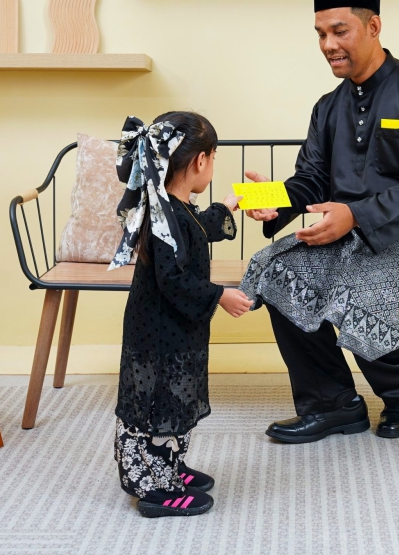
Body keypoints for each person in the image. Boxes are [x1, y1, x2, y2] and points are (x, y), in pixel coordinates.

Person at [239, 0, 399, 442]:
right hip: (347, 227)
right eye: (321, 34)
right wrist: (271, 201)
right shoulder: (328, 107)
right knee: (277, 272)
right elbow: (312, 179)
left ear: (373, 26)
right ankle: (333, 404)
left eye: (339, 31)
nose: (327, 44)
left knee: (353, 296)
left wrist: (356, 215)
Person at [109, 112, 252, 518]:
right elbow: (172, 278)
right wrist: (219, 295)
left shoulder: (173, 206)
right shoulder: (164, 216)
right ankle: (155, 489)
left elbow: (197, 228)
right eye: (214, 157)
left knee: (175, 396)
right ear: (200, 162)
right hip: (159, 332)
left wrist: (228, 205)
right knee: (160, 402)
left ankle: (168, 464)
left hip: (170, 329)